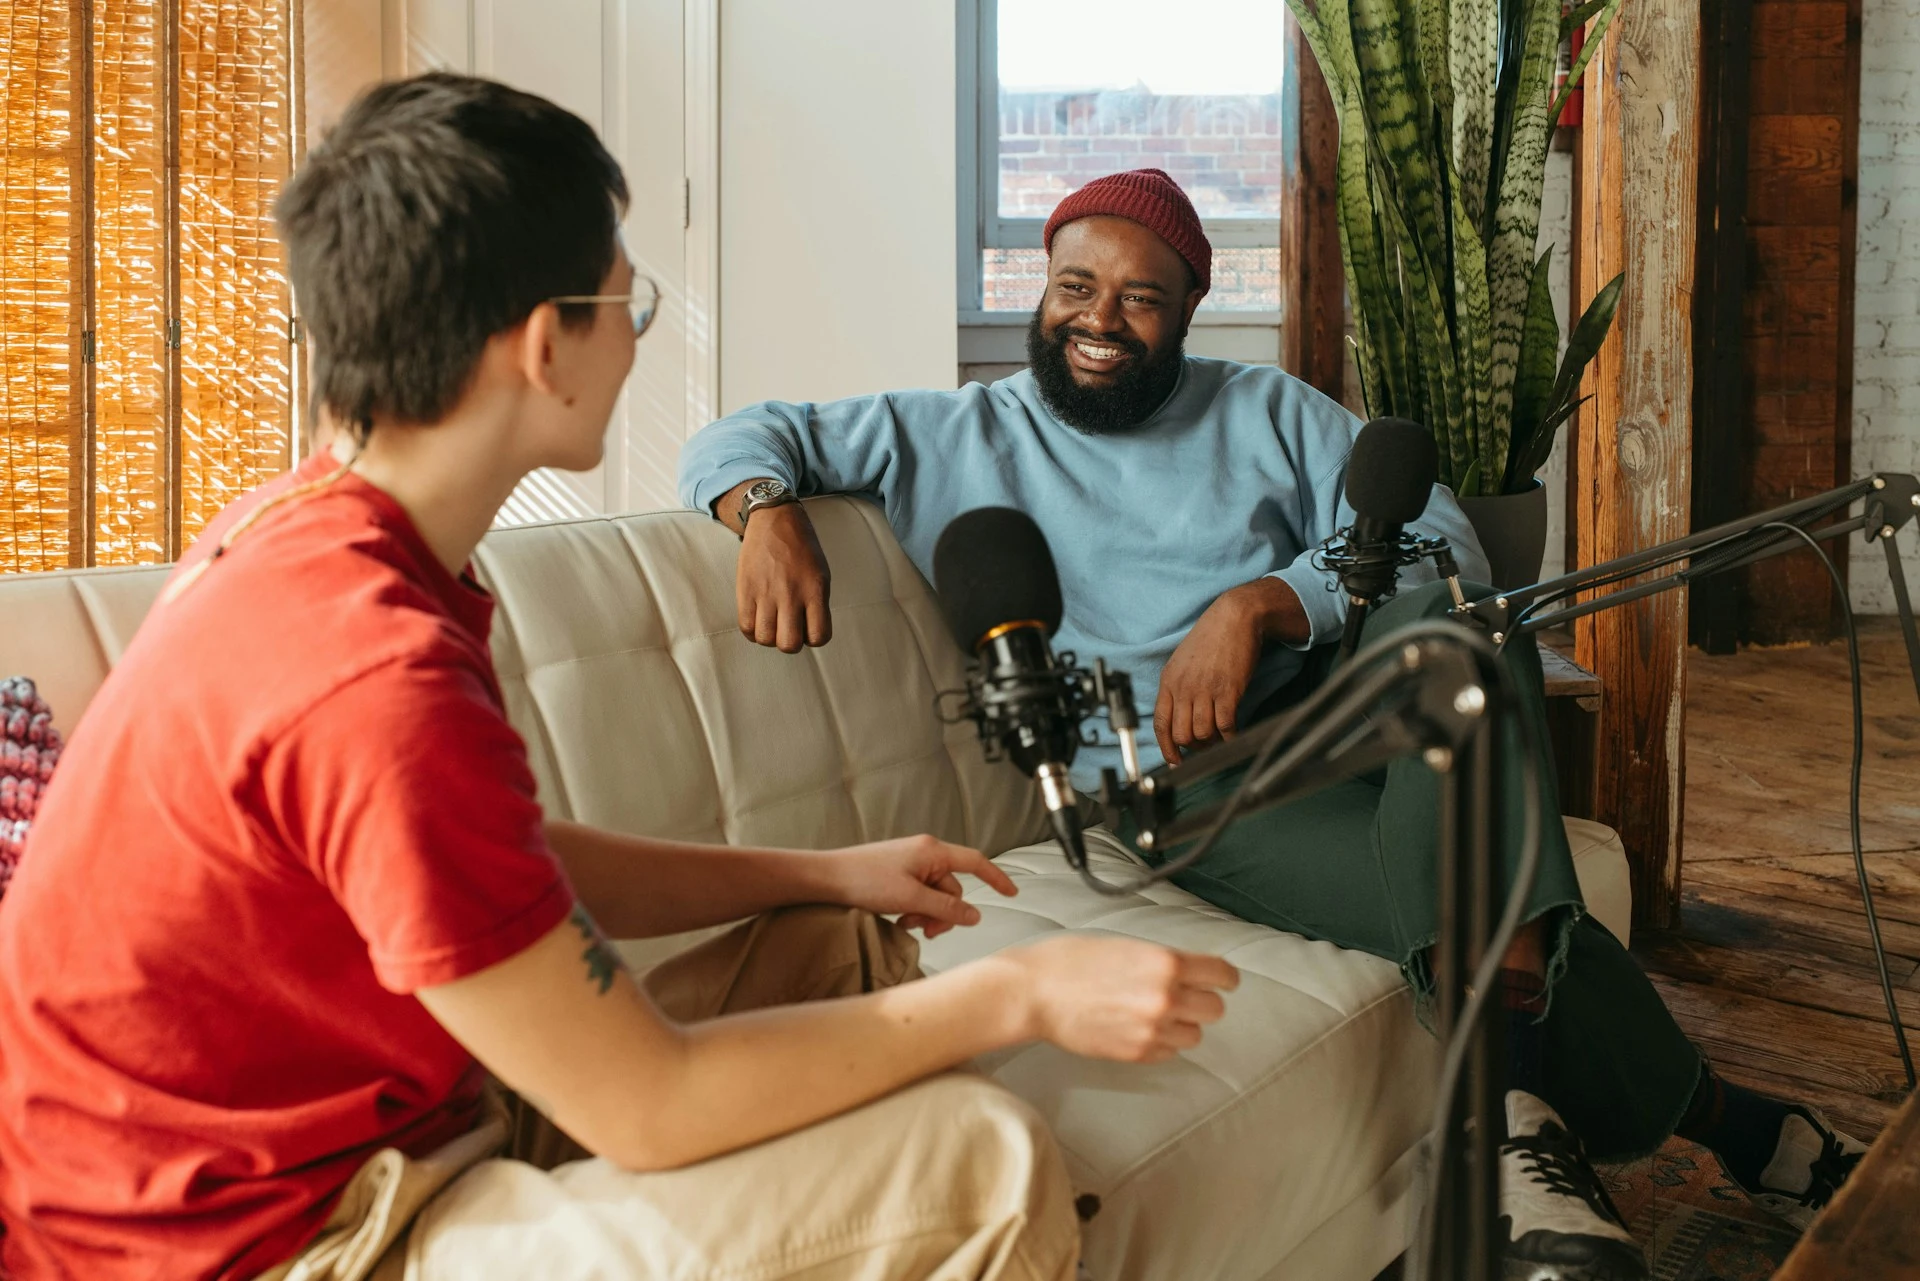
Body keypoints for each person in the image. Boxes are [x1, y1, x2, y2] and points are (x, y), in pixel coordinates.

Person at [0, 80, 1245, 1281]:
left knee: (832, 943)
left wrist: (826, 870)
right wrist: (1018, 989)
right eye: (625, 302)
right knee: (989, 1161)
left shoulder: (327, 533)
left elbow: (486, 855)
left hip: (403, 1125)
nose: (637, 334)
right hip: (279, 1240)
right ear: (550, 345)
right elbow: (651, 1107)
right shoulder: (364, 667)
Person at [677, 167, 1870, 1280]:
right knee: (1495, 892)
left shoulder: (1266, 408)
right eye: (1075, 288)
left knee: (1467, 638)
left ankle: (1507, 1129)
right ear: (1041, 291)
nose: (1099, 319)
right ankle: (1680, 1123)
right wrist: (767, 513)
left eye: (1140, 298)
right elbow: (741, 435)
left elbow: (1447, 543)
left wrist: (1264, 602)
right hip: (1187, 792)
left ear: (1191, 309)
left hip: (1350, 720)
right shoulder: (952, 430)